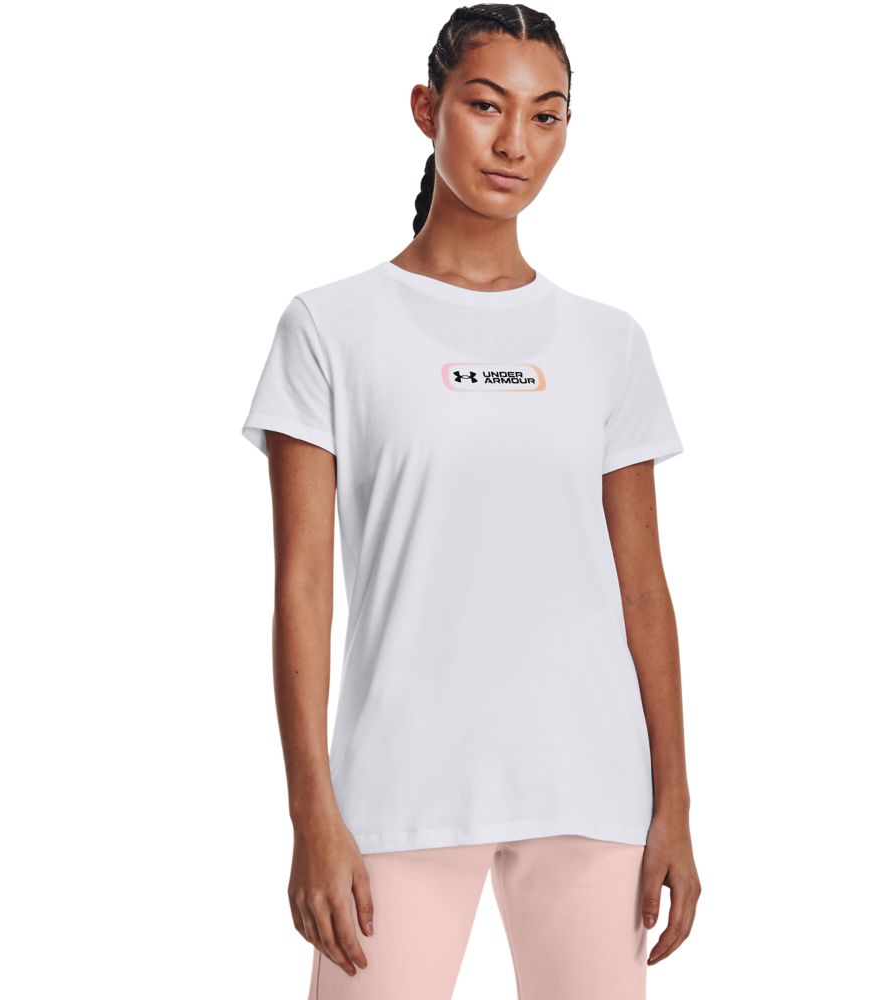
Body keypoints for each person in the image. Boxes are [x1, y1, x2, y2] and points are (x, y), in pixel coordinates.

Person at [241, 4, 701, 997]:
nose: (514, 143)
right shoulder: (330, 327)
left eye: (546, 115)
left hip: (591, 788)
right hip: (396, 791)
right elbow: (303, 589)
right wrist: (310, 812)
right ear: (427, 108)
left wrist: (675, 807)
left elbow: (644, 592)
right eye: (486, 105)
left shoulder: (608, 343)